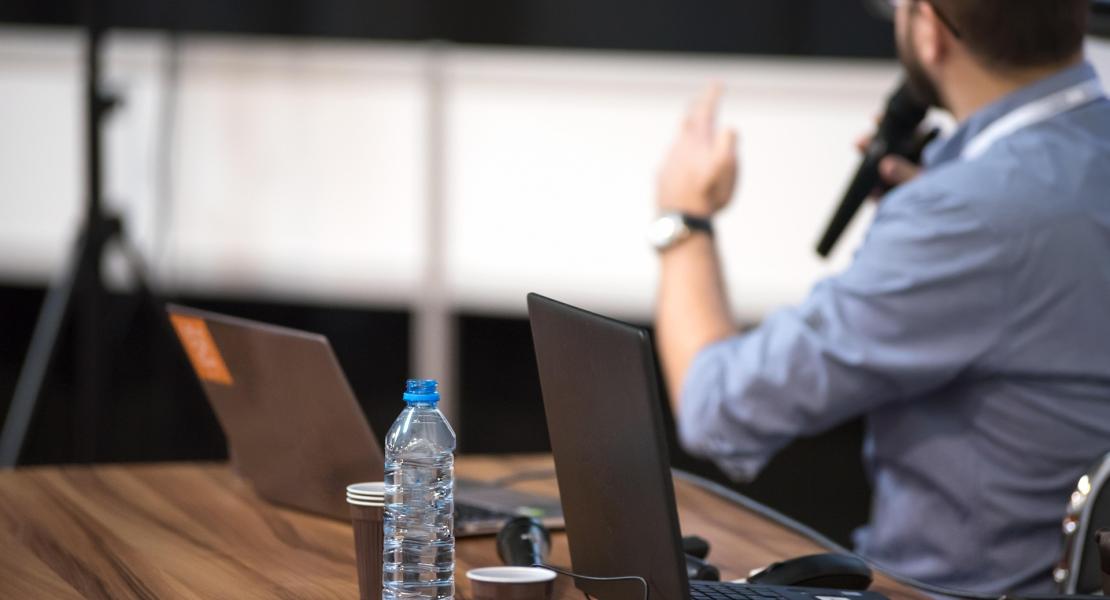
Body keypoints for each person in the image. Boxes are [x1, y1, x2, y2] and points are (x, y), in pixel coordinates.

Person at [652, 0, 1110, 594]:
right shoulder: (1005, 192)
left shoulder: (964, 213)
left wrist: (685, 218)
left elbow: (718, 406)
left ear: (928, 28)